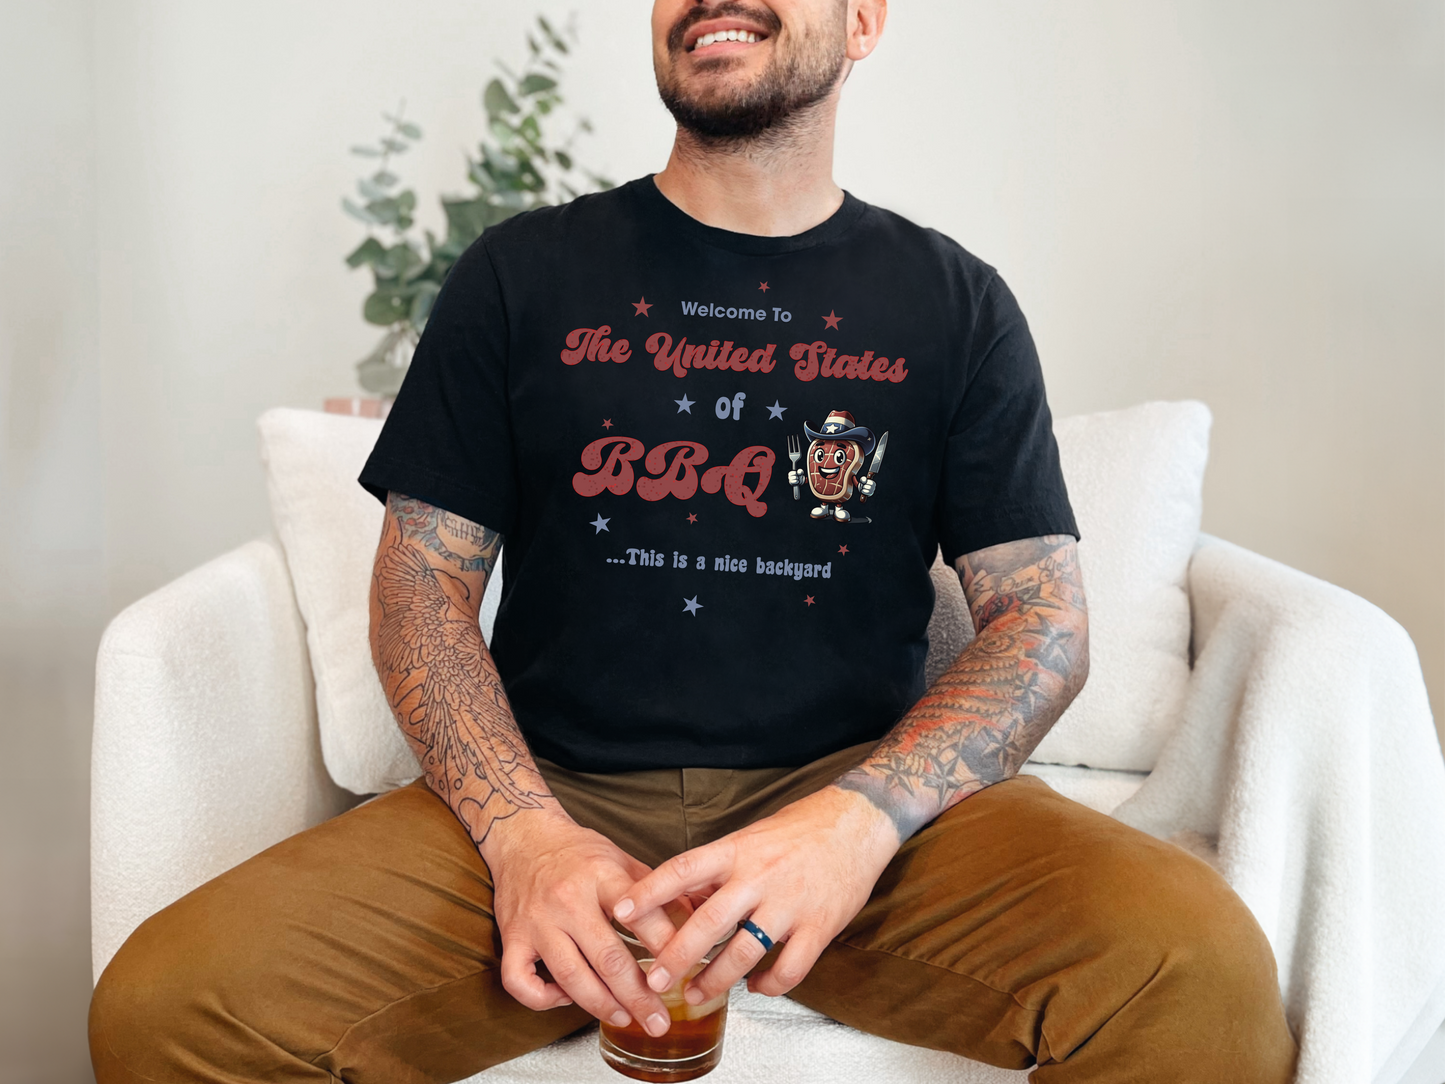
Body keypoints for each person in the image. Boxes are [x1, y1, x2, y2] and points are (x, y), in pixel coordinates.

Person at [88, 2, 1299, 1081]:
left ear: (863, 21)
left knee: (1198, 973)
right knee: (167, 1007)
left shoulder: (953, 302)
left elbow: (1041, 618)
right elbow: (419, 585)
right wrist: (521, 838)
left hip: (858, 818)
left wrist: (854, 824)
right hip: (552, 794)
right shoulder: (522, 275)